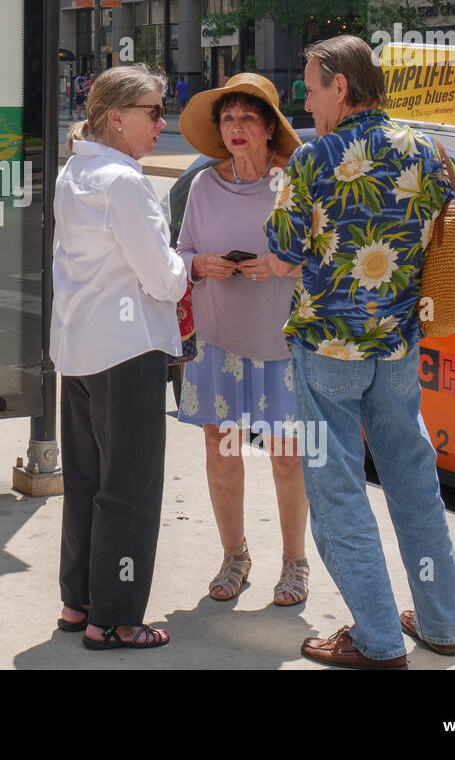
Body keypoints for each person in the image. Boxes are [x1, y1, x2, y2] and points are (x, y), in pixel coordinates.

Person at [265, 34, 455, 668]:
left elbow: (280, 255)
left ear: (341, 87)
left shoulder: (312, 160)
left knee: (339, 493)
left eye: (310, 86)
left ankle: (377, 638)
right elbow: (450, 230)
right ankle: (439, 621)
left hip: (328, 349)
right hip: (400, 347)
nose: (305, 97)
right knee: (413, 482)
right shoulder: (427, 151)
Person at [51, 64, 186, 650]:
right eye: (155, 111)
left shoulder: (74, 173)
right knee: (129, 488)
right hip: (130, 351)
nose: (163, 122)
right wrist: (187, 264)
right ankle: (118, 618)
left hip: (81, 347)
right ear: (117, 116)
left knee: (85, 481)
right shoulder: (125, 183)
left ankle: (79, 603)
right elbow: (163, 279)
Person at [176, 74, 310, 606]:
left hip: (280, 345)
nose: (235, 128)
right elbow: (180, 253)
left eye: (247, 118)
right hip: (217, 341)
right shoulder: (204, 185)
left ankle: (295, 564)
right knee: (221, 449)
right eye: (227, 119)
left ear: (269, 128)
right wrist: (200, 264)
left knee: (287, 456)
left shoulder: (293, 182)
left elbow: (324, 257)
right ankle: (235, 555)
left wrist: (279, 266)